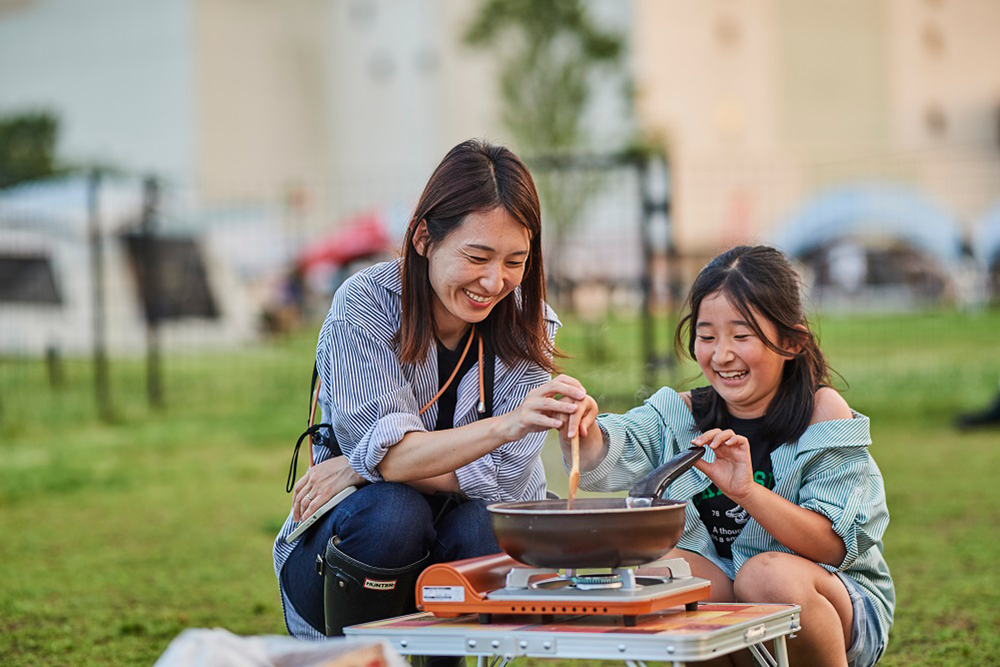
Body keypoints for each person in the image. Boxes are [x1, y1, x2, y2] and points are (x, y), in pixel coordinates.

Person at [273, 139, 585, 640]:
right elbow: (393, 457)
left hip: (460, 547)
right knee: (394, 512)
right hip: (347, 555)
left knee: (486, 525)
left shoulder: (530, 325)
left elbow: (505, 483)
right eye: (477, 255)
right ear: (423, 238)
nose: (494, 280)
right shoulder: (367, 303)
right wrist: (503, 427)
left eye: (514, 260)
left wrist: (358, 467)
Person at [559, 245, 894, 667]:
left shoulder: (821, 413)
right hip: (730, 611)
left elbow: (832, 546)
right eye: (707, 335)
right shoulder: (679, 414)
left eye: (742, 335)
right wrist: (581, 425)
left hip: (831, 606)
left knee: (765, 576)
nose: (722, 355)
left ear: (790, 341)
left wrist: (749, 492)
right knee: (663, 572)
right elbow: (610, 452)